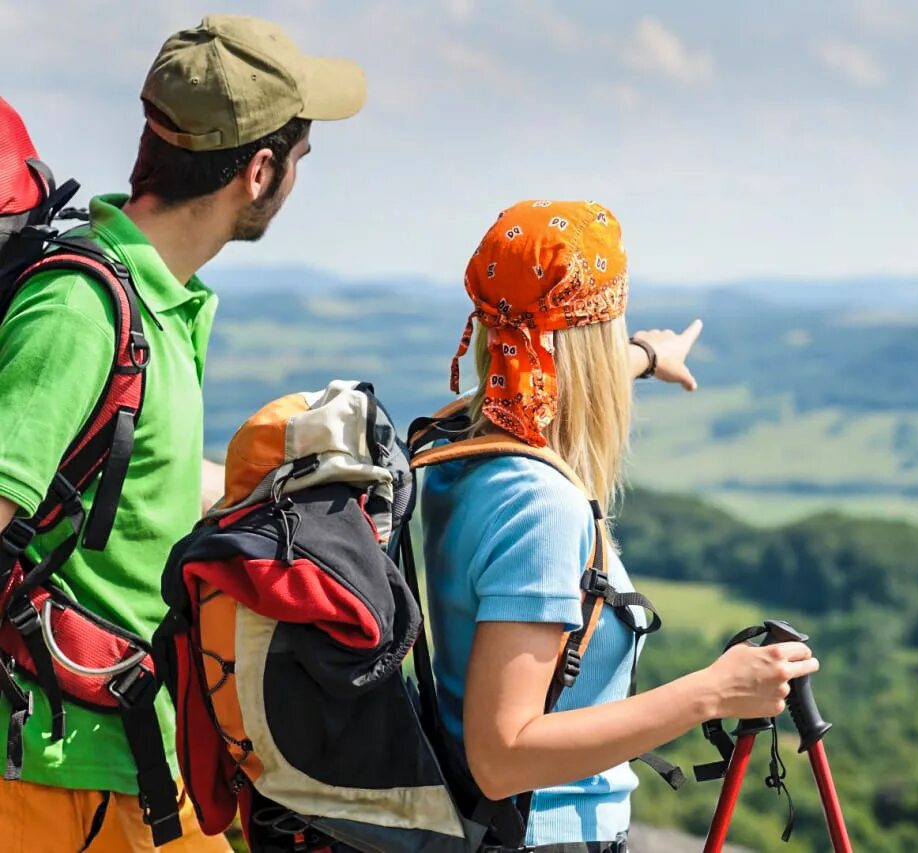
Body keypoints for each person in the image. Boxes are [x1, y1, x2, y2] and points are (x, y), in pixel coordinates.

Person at [0, 16, 365, 851]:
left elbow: (128, 485)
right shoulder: (83, 311)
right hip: (55, 778)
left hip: (137, 759)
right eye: (300, 160)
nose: (297, 179)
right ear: (261, 170)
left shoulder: (157, 300)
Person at [423, 200, 818, 851]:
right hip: (541, 835)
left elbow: (544, 370)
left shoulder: (457, 442)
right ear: (587, 343)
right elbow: (504, 755)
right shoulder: (541, 508)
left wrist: (641, 354)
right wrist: (715, 690)